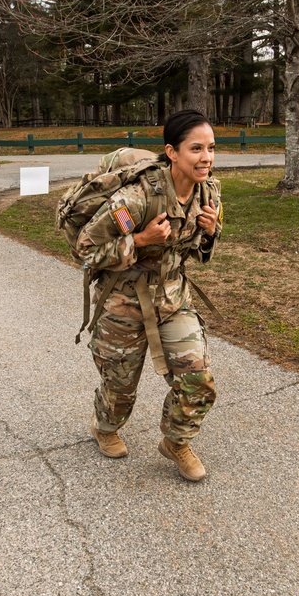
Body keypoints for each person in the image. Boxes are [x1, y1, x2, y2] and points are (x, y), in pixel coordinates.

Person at [75, 110, 222, 481]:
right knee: (120, 387)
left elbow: (198, 251)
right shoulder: (137, 198)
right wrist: (139, 240)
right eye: (196, 149)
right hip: (123, 301)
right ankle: (105, 427)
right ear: (172, 152)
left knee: (198, 379)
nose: (206, 157)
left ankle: (176, 441)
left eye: (211, 148)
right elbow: (85, 251)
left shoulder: (209, 192)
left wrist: (210, 232)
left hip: (172, 299)